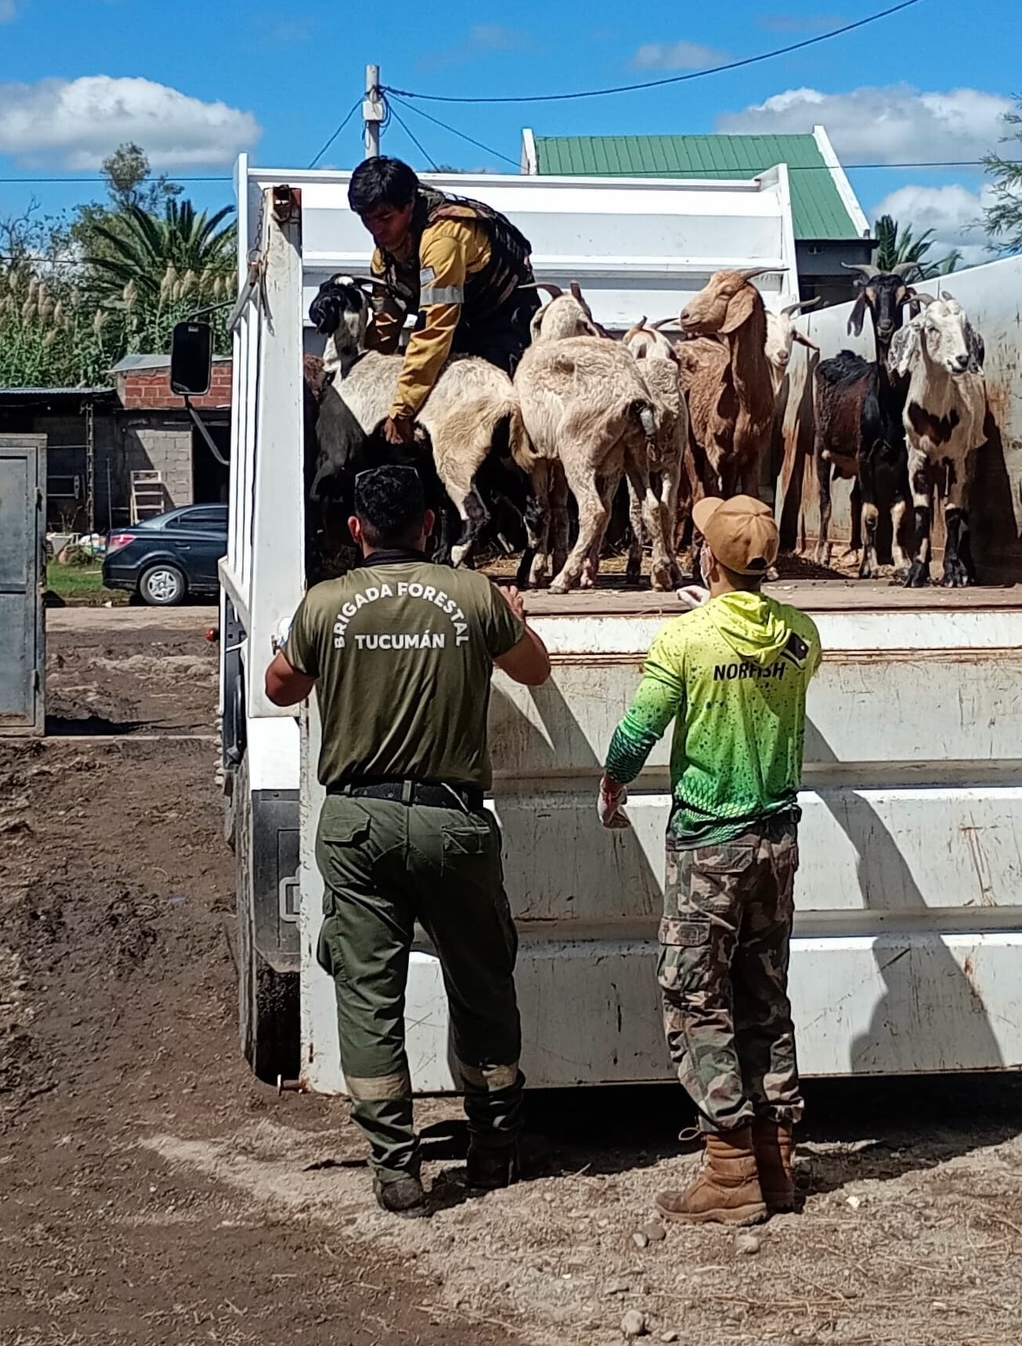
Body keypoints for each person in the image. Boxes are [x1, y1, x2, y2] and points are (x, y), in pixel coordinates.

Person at [264, 463, 551, 1215]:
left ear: (355, 531)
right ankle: (494, 1151)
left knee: (368, 996)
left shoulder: (324, 605)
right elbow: (535, 670)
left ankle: (397, 1168)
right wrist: (512, 615)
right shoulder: (473, 597)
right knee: (482, 986)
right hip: (454, 822)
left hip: (358, 822)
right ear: (431, 525)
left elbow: (278, 687)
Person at [597, 496, 820, 1226]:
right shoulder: (801, 636)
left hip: (709, 848)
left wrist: (614, 777)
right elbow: (762, 645)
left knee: (696, 997)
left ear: (707, 559)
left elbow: (640, 729)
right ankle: (776, 1158)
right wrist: (722, 610)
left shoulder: (683, 641)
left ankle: (728, 1169)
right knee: (764, 992)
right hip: (776, 843)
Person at [347, 155, 541, 447]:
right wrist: (370, 381)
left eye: (385, 218)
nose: (376, 230)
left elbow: (435, 329)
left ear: (409, 205)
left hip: (505, 320)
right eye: (366, 219)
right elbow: (387, 321)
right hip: (462, 325)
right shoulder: (385, 255)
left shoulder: (443, 240)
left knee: (496, 420)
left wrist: (402, 410)